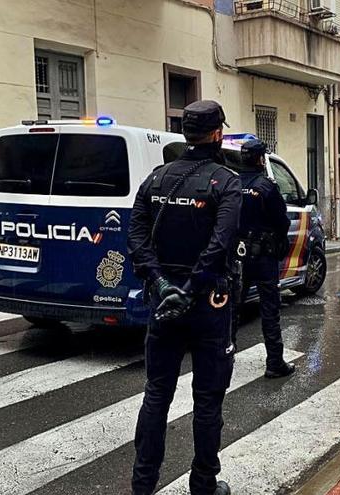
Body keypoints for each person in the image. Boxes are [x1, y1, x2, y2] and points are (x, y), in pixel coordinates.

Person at [128, 100, 241, 495]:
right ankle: (204, 486)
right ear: (217, 134)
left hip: (164, 303)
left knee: (157, 394)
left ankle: (142, 487)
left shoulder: (156, 178)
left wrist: (161, 285)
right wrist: (191, 290)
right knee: (208, 400)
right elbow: (221, 243)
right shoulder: (226, 182)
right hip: (208, 304)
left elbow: (136, 237)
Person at [232, 139, 295, 379]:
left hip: (237, 256)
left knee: (233, 308)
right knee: (269, 309)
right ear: (261, 159)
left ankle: (224, 357)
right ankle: (274, 362)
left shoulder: (232, 183)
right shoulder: (266, 186)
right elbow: (282, 220)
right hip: (263, 257)